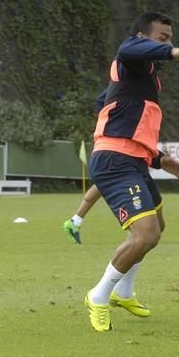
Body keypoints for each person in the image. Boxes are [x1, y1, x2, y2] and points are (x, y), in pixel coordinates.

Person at [84, 11, 179, 332]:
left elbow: (116, 112)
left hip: (133, 161)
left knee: (157, 226)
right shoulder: (130, 55)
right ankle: (99, 295)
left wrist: (158, 158)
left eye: (171, 39)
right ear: (142, 37)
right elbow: (129, 50)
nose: (169, 44)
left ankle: (124, 292)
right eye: (162, 38)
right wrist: (172, 52)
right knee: (146, 234)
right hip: (115, 162)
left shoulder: (141, 76)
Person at [62, 89, 108, 244]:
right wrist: (108, 122)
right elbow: (100, 102)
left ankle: (75, 221)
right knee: (106, 181)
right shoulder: (122, 83)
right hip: (113, 144)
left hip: (116, 143)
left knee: (102, 184)